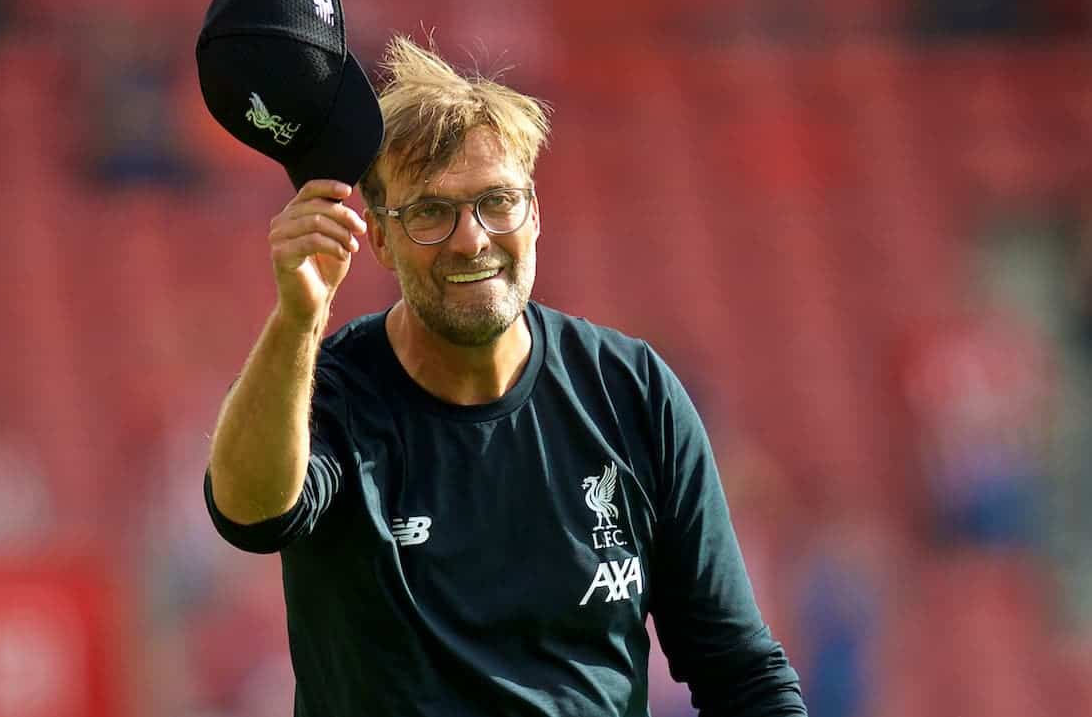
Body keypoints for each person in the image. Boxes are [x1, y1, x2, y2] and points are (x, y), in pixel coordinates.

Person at [204, 35, 807, 716]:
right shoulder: (333, 392)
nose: (471, 238)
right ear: (378, 237)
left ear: (535, 213)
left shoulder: (632, 391)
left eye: (496, 201)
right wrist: (296, 320)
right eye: (431, 211)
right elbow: (248, 513)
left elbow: (738, 668)